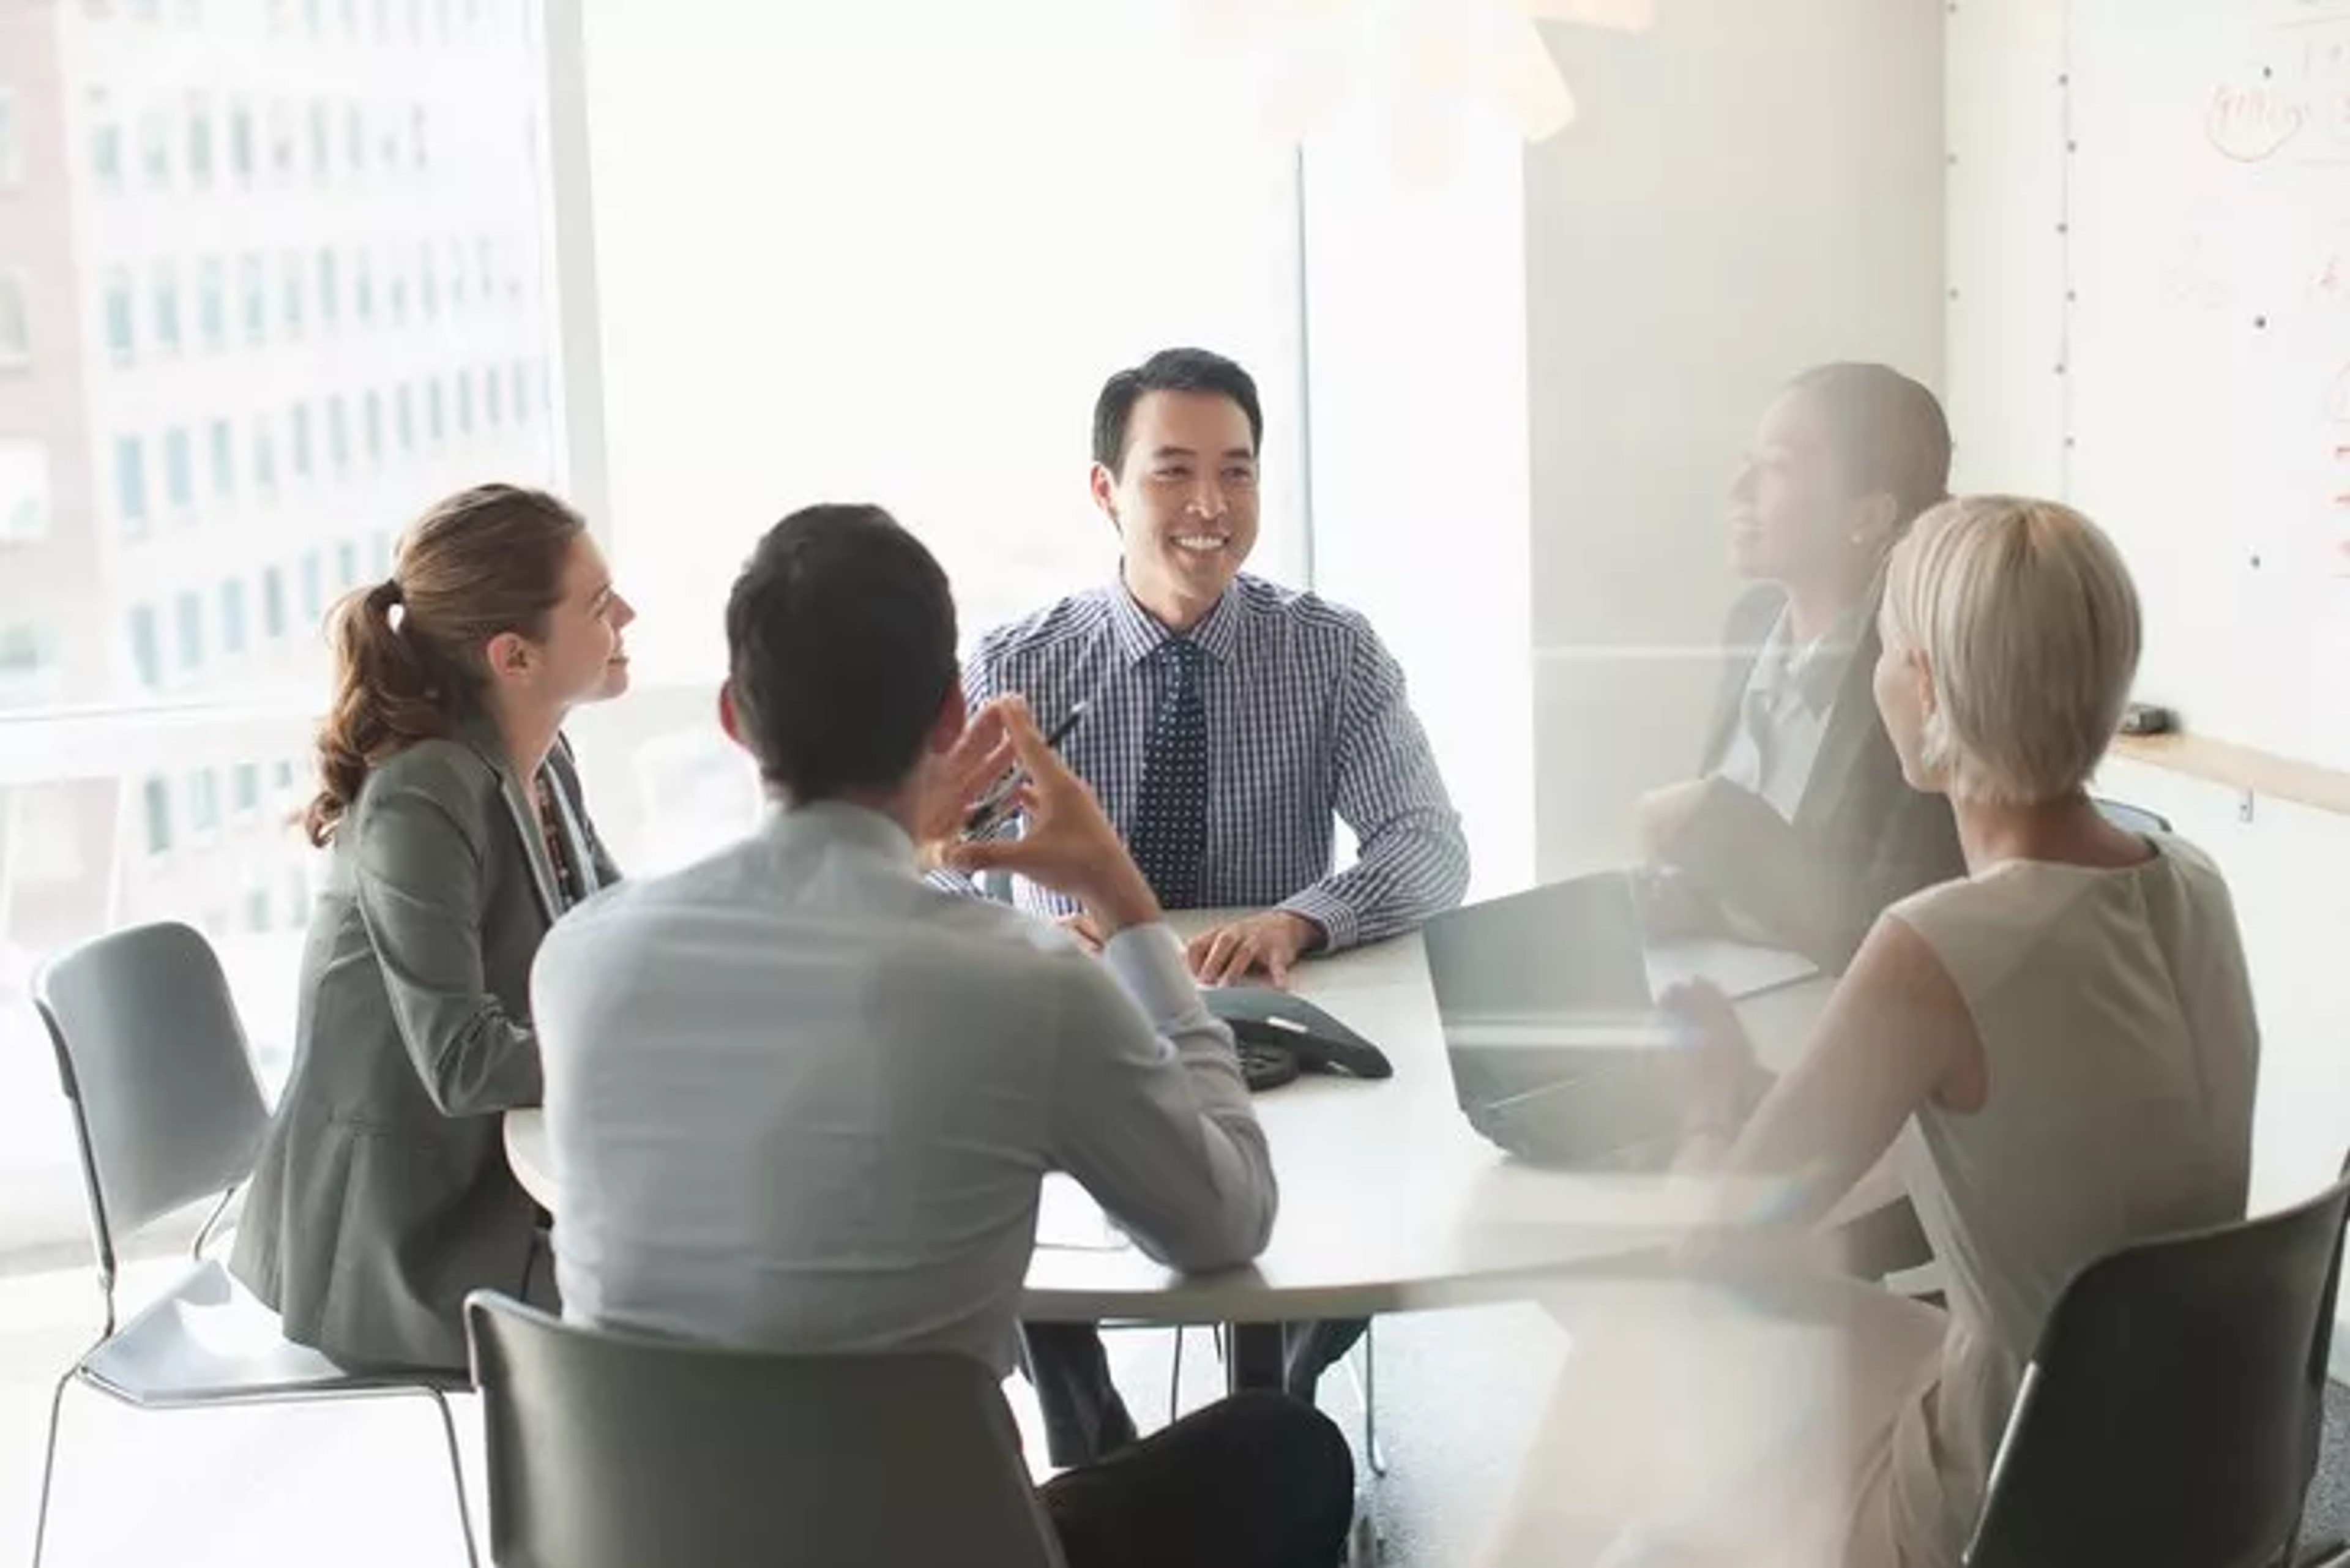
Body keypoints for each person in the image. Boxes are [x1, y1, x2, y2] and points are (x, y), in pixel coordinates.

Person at [532, 503, 1355, 1568]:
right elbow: (1223, 1220)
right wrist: (1126, 899)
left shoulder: (581, 961)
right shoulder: (1026, 982)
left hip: (649, 1540)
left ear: (737, 718)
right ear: (949, 714)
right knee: (1284, 1445)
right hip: (931, 1540)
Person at [1482, 496, 2259, 1567]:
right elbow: (2048, 1129)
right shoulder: (2194, 885)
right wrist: (1791, 1101)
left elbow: (1722, 1247)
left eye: (1888, 650)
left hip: (2014, 1501)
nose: (1876, 677)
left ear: (1932, 687)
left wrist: (1711, 1111)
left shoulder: (1937, 946)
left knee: (1642, 1336)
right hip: (2195, 1465)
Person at [954, 345, 1471, 1453]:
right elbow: (937, 862)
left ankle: (1269, 1415)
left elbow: (1429, 847)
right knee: (999, 1168)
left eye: (1236, 473)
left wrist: (1304, 916)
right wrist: (1038, 936)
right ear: (1106, 491)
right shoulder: (1016, 666)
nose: (1209, 506)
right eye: (1172, 472)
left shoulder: (1329, 652)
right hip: (1081, 1024)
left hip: (1270, 1011)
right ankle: (1094, 1437)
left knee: (1382, 1165)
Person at [232, 483, 633, 1372]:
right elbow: (463, 1061)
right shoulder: (423, 792)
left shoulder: (544, 760)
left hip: (495, 1189)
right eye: (600, 604)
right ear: (515, 656)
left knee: (727, 1271)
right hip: (409, 1238)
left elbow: (618, 930)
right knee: (699, 1300)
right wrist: (646, 1045)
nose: (629, 615)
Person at [1635, 363, 1966, 974]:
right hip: (1726, 994)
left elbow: (1891, 924)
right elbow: (1728, 881)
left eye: (1777, 467)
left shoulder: (1915, 675)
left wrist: (1718, 820)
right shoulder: (1751, 622)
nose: (1738, 490)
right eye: (1746, 461)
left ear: (1866, 516)